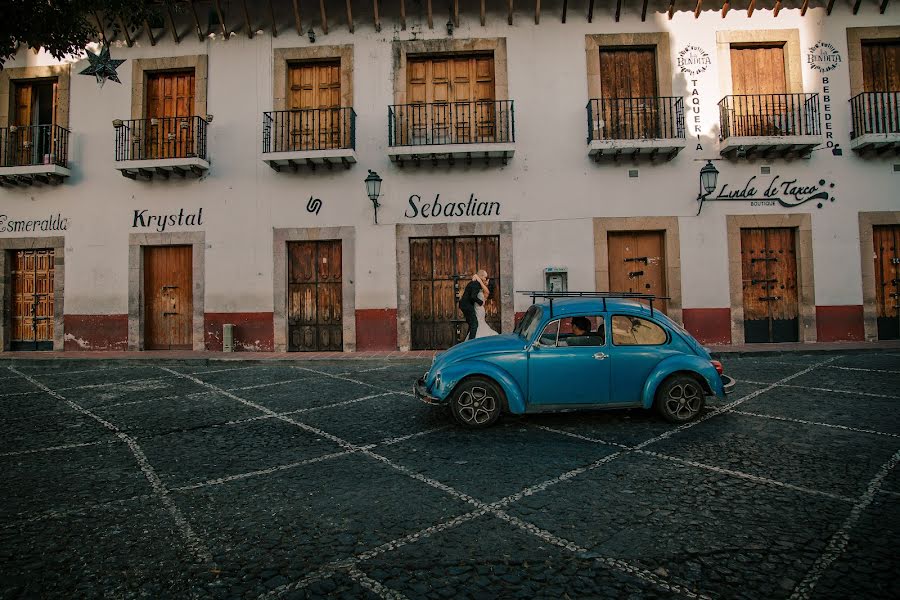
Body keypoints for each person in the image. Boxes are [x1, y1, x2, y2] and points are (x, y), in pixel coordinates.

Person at [458, 270, 485, 340]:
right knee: (474, 324)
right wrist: (480, 302)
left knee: (471, 324)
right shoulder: (476, 284)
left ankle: (468, 341)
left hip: (464, 305)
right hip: (467, 305)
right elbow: (473, 296)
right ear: (481, 277)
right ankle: (471, 343)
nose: (485, 279)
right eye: (485, 277)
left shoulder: (474, 282)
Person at [473, 271, 498, 339]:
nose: (485, 281)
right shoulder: (481, 288)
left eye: (487, 281)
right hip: (477, 308)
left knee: (479, 325)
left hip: (479, 309)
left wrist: (478, 279)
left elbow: (485, 293)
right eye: (486, 279)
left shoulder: (486, 291)